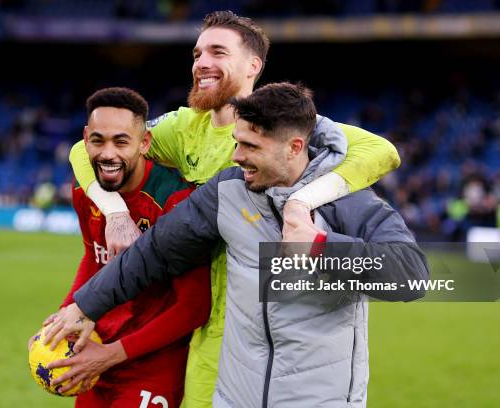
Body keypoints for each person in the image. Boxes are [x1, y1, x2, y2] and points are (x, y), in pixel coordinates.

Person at [68, 11, 401, 407]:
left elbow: (382, 151)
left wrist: (302, 202)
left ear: (253, 66)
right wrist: (115, 212)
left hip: (285, 321)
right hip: (204, 325)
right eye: (197, 53)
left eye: (217, 52)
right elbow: (86, 150)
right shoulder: (183, 128)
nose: (201, 63)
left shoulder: (282, 125)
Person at [34, 87, 211, 408]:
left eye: (121, 141)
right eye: (98, 140)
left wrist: (111, 355)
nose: (108, 154)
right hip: (93, 350)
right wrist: (65, 315)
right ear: (85, 139)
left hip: (151, 362)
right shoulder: (84, 189)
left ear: (144, 143)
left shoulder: (174, 201)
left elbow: (194, 307)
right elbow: (94, 258)